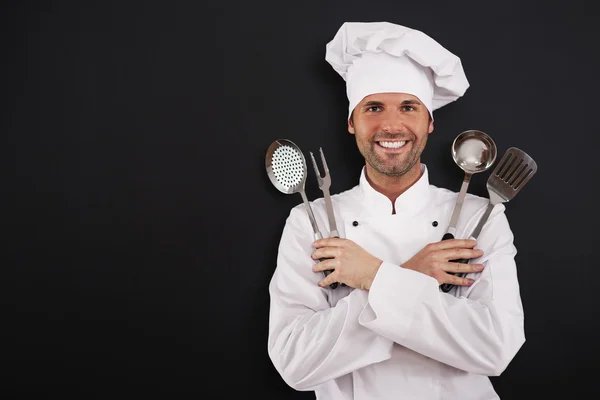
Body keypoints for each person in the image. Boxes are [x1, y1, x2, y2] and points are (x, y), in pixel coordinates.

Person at [267, 21, 525, 400]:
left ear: (429, 121)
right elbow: (295, 361)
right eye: (373, 108)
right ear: (352, 123)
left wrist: (373, 275)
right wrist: (411, 275)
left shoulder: (479, 217)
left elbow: (495, 347)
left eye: (408, 107)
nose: (391, 125)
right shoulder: (311, 220)